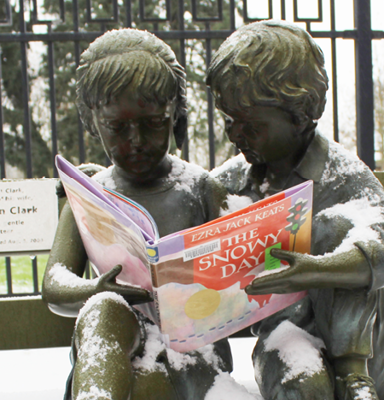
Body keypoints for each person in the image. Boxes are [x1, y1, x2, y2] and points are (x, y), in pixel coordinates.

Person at [206, 20, 384, 400]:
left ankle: (351, 376)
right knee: (303, 389)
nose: (235, 135)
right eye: (229, 121)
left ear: (300, 116)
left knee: (337, 226)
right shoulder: (230, 182)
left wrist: (313, 271)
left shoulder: (340, 172)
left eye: (250, 125)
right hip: (284, 341)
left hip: (366, 357)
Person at [41, 28, 235, 400]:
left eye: (152, 123)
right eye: (117, 127)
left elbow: (241, 267)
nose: (135, 140)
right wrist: (97, 288)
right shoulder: (90, 195)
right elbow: (54, 282)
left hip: (191, 340)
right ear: (92, 121)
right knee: (104, 311)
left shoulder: (201, 188)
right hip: (118, 339)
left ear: (173, 116)